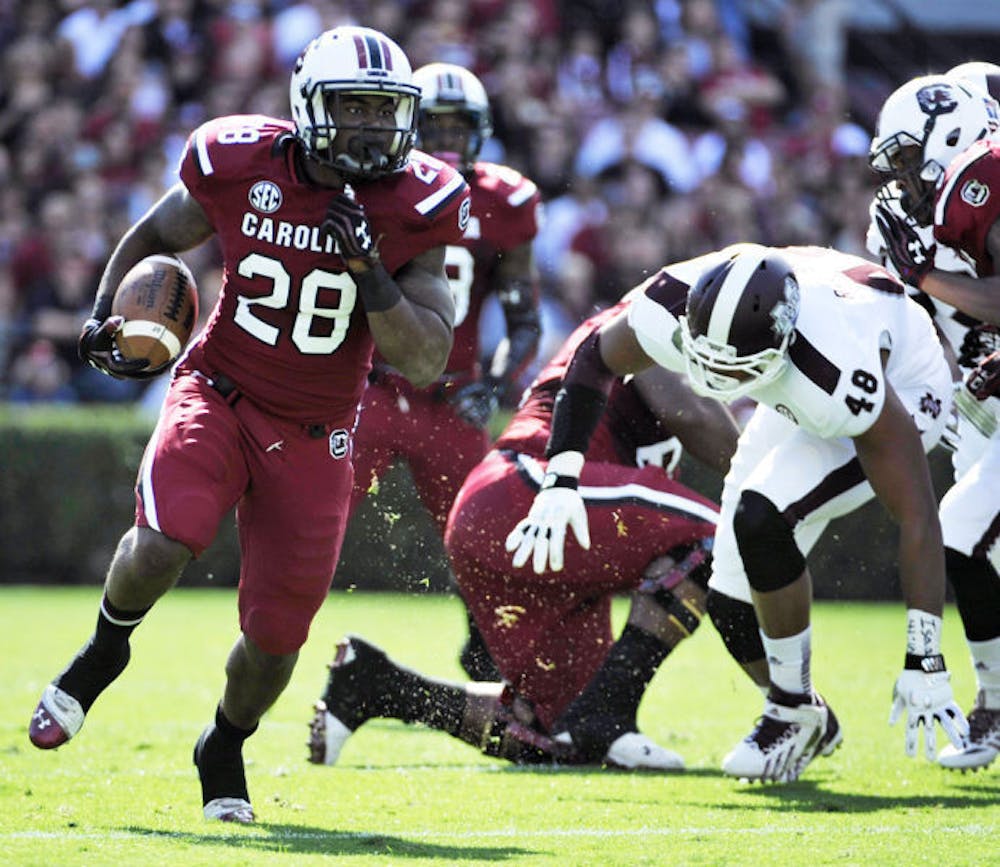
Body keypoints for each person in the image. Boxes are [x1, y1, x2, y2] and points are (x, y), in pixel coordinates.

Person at [27, 25, 471, 825]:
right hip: (221, 390)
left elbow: (426, 356)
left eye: (384, 111)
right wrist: (103, 317)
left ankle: (223, 741)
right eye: (354, 108)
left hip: (318, 431)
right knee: (167, 536)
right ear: (308, 108)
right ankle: (101, 652)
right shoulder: (238, 160)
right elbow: (157, 235)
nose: (372, 127)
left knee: (275, 640)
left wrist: (369, 266)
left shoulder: (416, 203)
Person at [505, 243, 970, 783]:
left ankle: (791, 712)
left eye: (735, 368)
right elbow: (594, 357)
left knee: (761, 512)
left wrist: (925, 656)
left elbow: (917, 512)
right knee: (729, 594)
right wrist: (561, 479)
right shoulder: (669, 300)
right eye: (709, 361)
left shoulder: (835, 370)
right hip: (791, 375)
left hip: (904, 388)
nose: (718, 380)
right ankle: (804, 711)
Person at [308, 298, 738, 769]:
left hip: (518, 524)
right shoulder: (640, 321)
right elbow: (695, 418)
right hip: (526, 497)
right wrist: (764, 492)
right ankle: (613, 711)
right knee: (725, 541)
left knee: (559, 736)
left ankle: (380, 686)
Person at [345, 61, 542, 681]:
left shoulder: (504, 201)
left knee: (483, 536)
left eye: (461, 127)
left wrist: (499, 385)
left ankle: (489, 652)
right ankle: (270, 624)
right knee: (310, 508)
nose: (448, 141)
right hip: (372, 389)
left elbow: (525, 318)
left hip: (450, 399)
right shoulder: (376, 188)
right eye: (434, 126)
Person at [868, 68, 1000, 770]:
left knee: (962, 531)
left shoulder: (987, 175)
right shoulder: (915, 215)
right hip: (981, 412)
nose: (907, 181)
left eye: (913, 160)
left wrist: (925, 276)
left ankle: (995, 709)